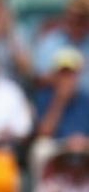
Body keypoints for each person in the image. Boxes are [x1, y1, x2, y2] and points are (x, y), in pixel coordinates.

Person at [31, 48, 89, 176]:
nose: (67, 78)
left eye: (71, 73)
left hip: (84, 144)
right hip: (58, 145)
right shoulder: (44, 96)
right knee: (40, 150)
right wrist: (60, 100)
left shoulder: (86, 98)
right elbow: (44, 133)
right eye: (63, 73)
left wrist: (83, 142)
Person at [33, 0, 89, 91]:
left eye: (82, 18)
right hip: (58, 97)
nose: (76, 22)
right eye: (74, 16)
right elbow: (39, 77)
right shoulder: (52, 41)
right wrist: (64, 79)